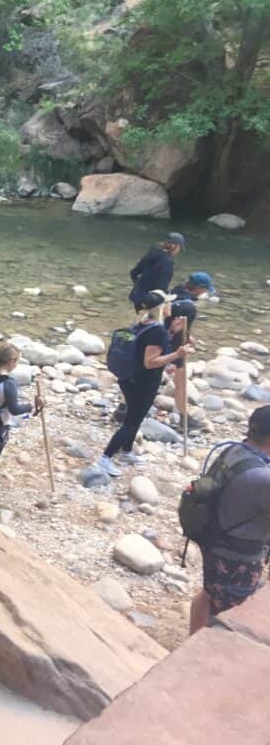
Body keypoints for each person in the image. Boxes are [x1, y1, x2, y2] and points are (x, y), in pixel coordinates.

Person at [190, 406, 270, 634]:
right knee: (230, 620)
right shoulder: (262, 478)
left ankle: (190, 647)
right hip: (237, 558)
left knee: (210, 592)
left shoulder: (235, 450)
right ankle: (204, 661)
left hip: (214, 541)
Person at [96, 290, 191, 477]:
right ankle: (105, 458)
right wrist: (177, 355)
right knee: (132, 422)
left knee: (135, 417)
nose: (171, 307)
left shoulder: (142, 324)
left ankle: (126, 452)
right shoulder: (156, 330)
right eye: (168, 304)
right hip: (143, 383)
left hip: (129, 378)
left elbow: (147, 350)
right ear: (161, 308)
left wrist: (172, 332)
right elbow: (150, 362)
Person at [0, 341, 44, 490]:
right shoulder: (8, 384)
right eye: (17, 361)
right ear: (11, 361)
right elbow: (14, 409)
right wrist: (33, 406)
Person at [167, 272, 215, 421]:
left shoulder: (174, 292)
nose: (205, 293)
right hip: (173, 347)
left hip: (156, 338)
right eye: (205, 289)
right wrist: (185, 346)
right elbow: (180, 331)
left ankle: (122, 408)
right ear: (199, 288)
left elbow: (172, 321)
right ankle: (184, 418)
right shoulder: (189, 307)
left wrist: (189, 336)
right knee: (180, 382)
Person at [129, 232, 185, 310]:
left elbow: (133, 273)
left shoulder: (151, 254)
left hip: (134, 297)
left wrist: (139, 286)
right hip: (148, 303)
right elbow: (161, 288)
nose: (179, 251)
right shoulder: (168, 263)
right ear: (175, 246)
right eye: (180, 248)